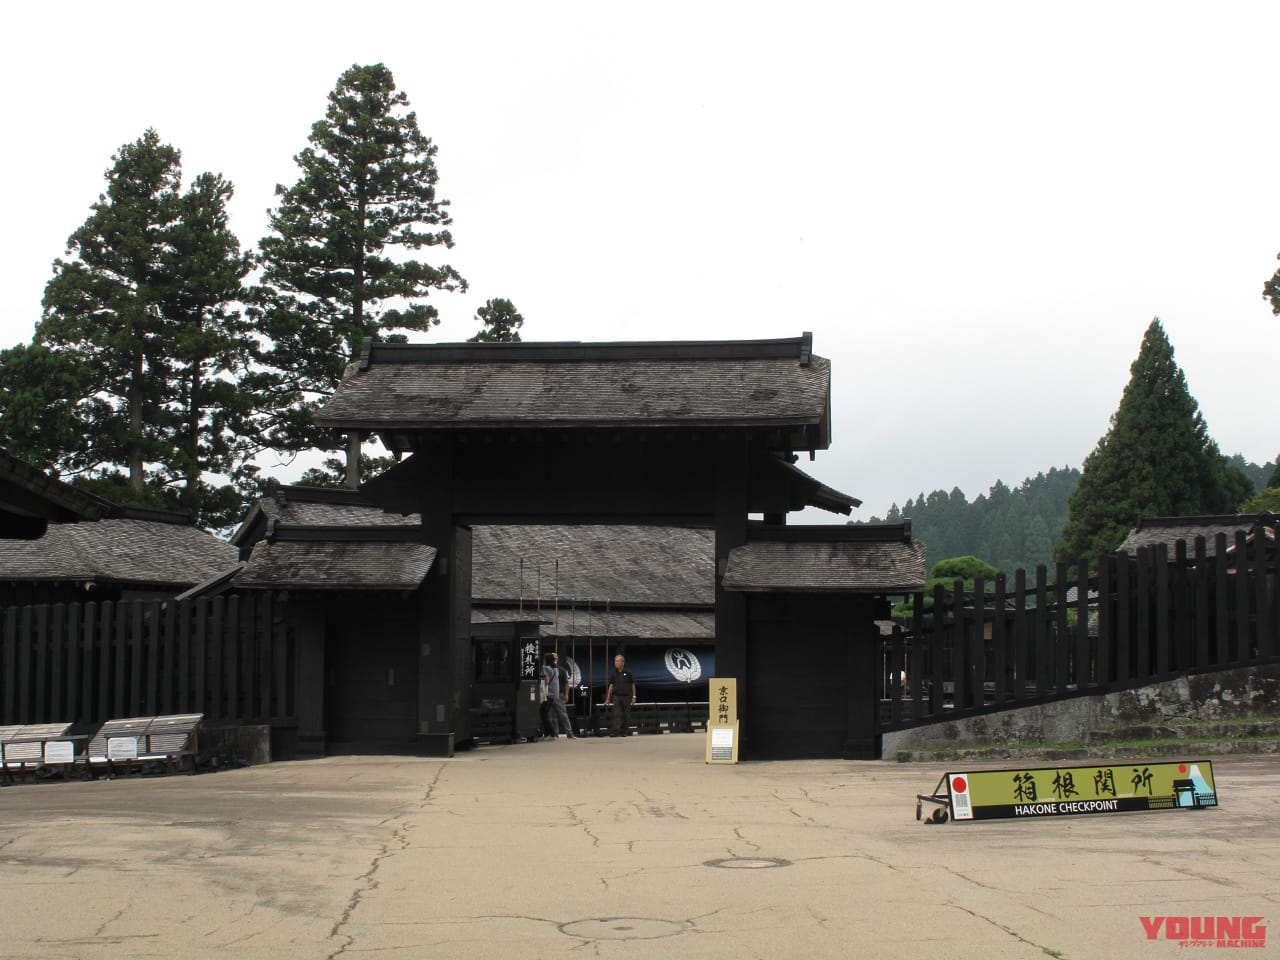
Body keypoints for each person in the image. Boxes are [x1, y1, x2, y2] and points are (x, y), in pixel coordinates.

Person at [542, 652, 577, 739]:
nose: (554, 660)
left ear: (557, 659)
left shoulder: (561, 670)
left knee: (563, 714)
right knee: (552, 715)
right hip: (549, 695)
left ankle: (569, 733)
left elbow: (566, 683)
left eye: (555, 658)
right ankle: (555, 734)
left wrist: (566, 694)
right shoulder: (548, 669)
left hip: (559, 694)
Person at [604, 653, 637, 737]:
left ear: (622, 663)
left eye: (618, 661)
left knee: (626, 714)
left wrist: (634, 696)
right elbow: (611, 686)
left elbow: (633, 684)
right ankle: (615, 731)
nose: (616, 663)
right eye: (615, 661)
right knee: (616, 714)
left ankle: (625, 731)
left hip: (626, 696)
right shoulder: (613, 673)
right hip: (616, 696)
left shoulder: (628, 672)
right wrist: (608, 698)